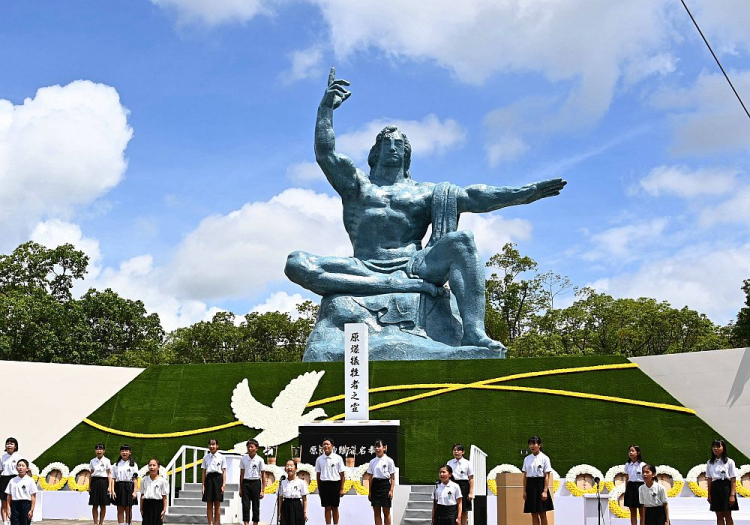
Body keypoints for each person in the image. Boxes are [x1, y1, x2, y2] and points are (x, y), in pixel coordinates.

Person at [285, 67, 567, 353]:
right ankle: (387, 285)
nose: (393, 148)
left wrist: (523, 194)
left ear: (407, 154)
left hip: (414, 265)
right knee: (296, 262)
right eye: (386, 143)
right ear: (376, 151)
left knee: (463, 242)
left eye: (399, 144)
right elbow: (326, 154)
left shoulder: (426, 191)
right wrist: (325, 110)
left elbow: (475, 196)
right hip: (363, 264)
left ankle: (474, 332)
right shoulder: (357, 186)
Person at [522, 436, 553, 525]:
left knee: (542, 513)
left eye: (534, 444)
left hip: (540, 485)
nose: (532, 446)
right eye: (530, 444)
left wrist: (545, 491)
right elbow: (525, 476)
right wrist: (524, 491)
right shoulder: (527, 459)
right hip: (530, 486)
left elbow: (547, 475)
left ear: (539, 445)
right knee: (533, 513)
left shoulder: (545, 458)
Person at [706, 439, 739, 524]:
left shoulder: (729, 462)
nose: (716, 449)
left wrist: (732, 494)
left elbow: (733, 479)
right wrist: (709, 494)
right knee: (719, 515)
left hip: (726, 488)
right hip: (715, 488)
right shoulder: (710, 463)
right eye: (714, 446)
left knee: (727, 514)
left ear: (723, 448)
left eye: (718, 446)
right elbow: (709, 479)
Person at [314, 437, 346, 525]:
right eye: (324, 444)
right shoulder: (319, 459)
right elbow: (318, 475)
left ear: (332, 446)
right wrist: (319, 489)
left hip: (335, 484)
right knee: (327, 507)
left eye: (327, 444)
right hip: (324, 484)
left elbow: (342, 475)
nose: (326, 446)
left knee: (335, 507)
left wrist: (341, 488)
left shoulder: (338, 458)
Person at [366, 440, 396, 525]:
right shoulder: (372, 462)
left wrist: (391, 490)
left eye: (379, 446)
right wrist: (370, 492)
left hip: (385, 485)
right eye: (376, 447)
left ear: (384, 448)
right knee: (376, 512)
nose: (377, 449)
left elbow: (392, 477)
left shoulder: (389, 461)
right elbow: (370, 477)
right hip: (375, 486)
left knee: (386, 512)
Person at [239, 439, 265, 525]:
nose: (249, 449)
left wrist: (262, 490)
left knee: (255, 506)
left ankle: (255, 523)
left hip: (256, 483)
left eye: (251, 447)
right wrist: (241, 488)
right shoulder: (243, 459)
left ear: (256, 448)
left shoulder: (260, 460)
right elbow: (242, 474)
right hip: (246, 483)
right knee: (245, 506)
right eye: (248, 447)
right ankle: (246, 523)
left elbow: (263, 475)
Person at [111, 444, 138, 525]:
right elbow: (113, 478)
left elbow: (135, 479)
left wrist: (135, 491)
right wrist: (112, 490)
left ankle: (128, 523)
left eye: (126, 451)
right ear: (120, 452)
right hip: (119, 487)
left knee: (128, 508)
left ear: (130, 452)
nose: (124, 452)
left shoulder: (133, 464)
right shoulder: (116, 464)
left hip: (129, 486)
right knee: (120, 508)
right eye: (122, 451)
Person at [201, 438, 226, 525]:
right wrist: (203, 485)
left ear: (217, 446)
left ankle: (216, 523)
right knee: (209, 504)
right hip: (209, 479)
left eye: (213, 444)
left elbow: (224, 471)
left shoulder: (222, 457)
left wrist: (223, 484)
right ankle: (210, 523)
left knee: (217, 504)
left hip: (218, 479)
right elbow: (204, 472)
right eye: (210, 445)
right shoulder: (206, 457)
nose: (212, 446)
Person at [447, 444, 473, 525]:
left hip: (464, 486)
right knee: (453, 507)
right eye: (454, 450)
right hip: (453, 485)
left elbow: (471, 478)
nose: (456, 452)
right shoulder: (449, 463)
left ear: (463, 452)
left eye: (458, 450)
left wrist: (471, 492)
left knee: (464, 509)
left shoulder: (467, 463)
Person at [3, 459, 35, 525]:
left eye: (23, 466)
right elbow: (9, 496)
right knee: (14, 523)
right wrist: (8, 509)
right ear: (16, 468)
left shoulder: (30, 480)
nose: (20, 467)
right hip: (15, 505)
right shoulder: (12, 481)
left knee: (25, 523)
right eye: (19, 466)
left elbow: (33, 496)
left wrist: (31, 510)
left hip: (26, 504)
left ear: (27, 468)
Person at [88, 443, 113, 525]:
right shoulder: (92, 461)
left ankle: (101, 522)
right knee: (94, 504)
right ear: (95, 451)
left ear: (104, 451)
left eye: (101, 449)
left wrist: (109, 486)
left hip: (104, 482)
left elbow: (109, 474)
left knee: (103, 504)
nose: (99, 451)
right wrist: (89, 486)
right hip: (95, 482)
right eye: (97, 449)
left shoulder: (107, 461)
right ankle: (95, 523)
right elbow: (91, 473)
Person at [140, 458, 169, 525]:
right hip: (147, 504)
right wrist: (141, 508)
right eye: (150, 465)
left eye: (154, 465)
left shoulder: (163, 481)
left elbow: (164, 496)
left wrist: (164, 509)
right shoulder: (144, 480)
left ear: (158, 467)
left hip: (158, 505)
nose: (152, 467)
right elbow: (142, 495)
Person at [279, 460, 308, 525]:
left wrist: (304, 512)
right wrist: (279, 513)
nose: (289, 468)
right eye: (287, 466)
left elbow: (304, 498)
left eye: (291, 466)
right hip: (286, 506)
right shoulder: (282, 483)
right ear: (285, 469)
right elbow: (280, 498)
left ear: (296, 469)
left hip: (297, 506)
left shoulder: (301, 482)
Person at [0, 438, 20, 525]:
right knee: (4, 501)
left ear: (15, 446)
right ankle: (5, 522)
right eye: (7, 444)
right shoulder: (2, 457)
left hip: (15, 479)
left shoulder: (19, 457)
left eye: (11, 444)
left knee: (14, 502)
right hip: (4, 479)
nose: (9, 445)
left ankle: (15, 520)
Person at [623, 445, 644, 525]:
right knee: (632, 511)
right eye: (629, 451)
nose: (631, 453)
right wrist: (626, 489)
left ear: (638, 453)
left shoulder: (642, 465)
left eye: (633, 451)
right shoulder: (627, 465)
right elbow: (627, 477)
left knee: (642, 510)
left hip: (640, 487)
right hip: (630, 487)